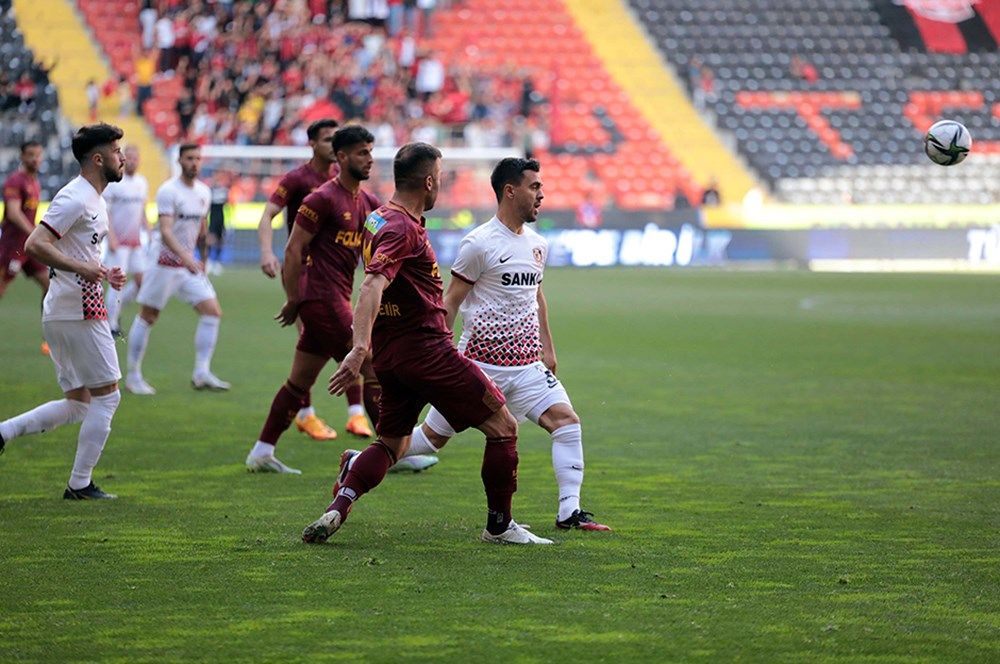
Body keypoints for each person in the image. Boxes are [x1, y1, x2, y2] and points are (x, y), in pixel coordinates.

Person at [301, 142, 552, 546]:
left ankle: (339, 506)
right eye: (440, 175)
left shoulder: (378, 218)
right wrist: (358, 348)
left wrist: (369, 347)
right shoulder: (401, 228)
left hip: (393, 356)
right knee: (503, 427)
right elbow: (372, 284)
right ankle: (500, 526)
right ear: (429, 182)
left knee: (392, 444)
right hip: (427, 351)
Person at [388, 158, 611, 531]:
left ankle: (569, 512)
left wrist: (548, 348)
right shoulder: (479, 243)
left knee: (566, 422)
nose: (541, 194)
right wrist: (437, 352)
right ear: (510, 191)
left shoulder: (538, 245)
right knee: (431, 439)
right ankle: (362, 462)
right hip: (478, 366)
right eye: (534, 187)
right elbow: (451, 301)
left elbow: (536, 297)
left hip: (526, 367)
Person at [245, 125, 388, 473]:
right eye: (362, 153)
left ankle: (261, 452)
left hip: (336, 297)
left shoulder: (368, 202)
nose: (369, 159)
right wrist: (294, 298)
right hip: (321, 298)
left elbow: (389, 231)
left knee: (299, 381)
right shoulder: (321, 198)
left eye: (371, 152)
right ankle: (395, 450)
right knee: (370, 363)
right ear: (342, 157)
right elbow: (293, 250)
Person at [0, 123, 127, 499]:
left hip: (65, 307)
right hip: (79, 310)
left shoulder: (94, 199)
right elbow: (34, 244)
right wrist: (83, 268)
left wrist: (102, 270)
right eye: (116, 151)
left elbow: (77, 252)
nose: (122, 157)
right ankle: (80, 483)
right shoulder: (75, 197)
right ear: (98, 159)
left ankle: (3, 432)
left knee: (78, 404)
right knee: (108, 397)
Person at [125, 143, 229, 394]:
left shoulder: (203, 192)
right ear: (180, 161)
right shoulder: (168, 191)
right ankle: (133, 376)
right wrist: (187, 257)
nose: (194, 163)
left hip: (187, 266)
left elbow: (201, 228)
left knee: (212, 312)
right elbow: (166, 231)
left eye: (198, 158)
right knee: (148, 316)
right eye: (189, 158)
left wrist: (203, 258)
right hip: (163, 263)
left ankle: (201, 373)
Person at [1, 141, 49, 353]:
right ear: (22, 156)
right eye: (30, 155)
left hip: (29, 247)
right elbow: (13, 213)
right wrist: (34, 233)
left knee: (50, 285)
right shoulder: (15, 181)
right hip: (12, 247)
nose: (35, 159)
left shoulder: (35, 182)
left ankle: (49, 338)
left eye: (38, 155)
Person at [102, 145, 150, 335]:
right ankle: (111, 324)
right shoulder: (114, 183)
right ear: (122, 159)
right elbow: (106, 212)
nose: (132, 161)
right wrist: (111, 238)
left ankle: (114, 312)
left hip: (136, 242)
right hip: (119, 242)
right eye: (128, 157)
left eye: (135, 158)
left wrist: (148, 228)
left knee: (142, 282)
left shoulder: (142, 182)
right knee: (117, 282)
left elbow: (142, 209)